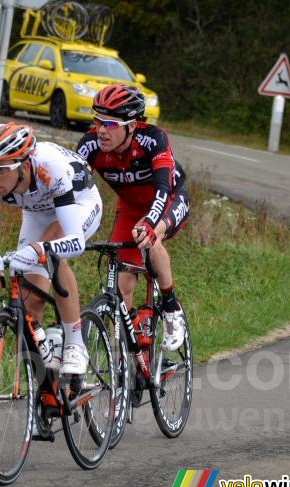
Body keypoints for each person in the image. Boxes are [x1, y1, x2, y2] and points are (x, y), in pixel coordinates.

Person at [0, 122, 103, 375]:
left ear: (23, 166)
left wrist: (36, 251)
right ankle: (50, 382)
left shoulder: (49, 167)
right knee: (28, 302)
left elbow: (74, 241)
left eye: (0, 170)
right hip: (37, 214)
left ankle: (75, 344)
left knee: (51, 255)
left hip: (78, 205)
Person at [77, 84, 189, 352]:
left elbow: (163, 189)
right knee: (122, 284)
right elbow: (73, 189)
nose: (101, 130)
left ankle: (172, 308)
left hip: (168, 201)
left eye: (110, 124)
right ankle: (125, 361)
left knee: (150, 239)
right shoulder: (90, 145)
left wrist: (151, 223)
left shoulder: (153, 140)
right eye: (97, 121)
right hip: (128, 208)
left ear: (130, 125)